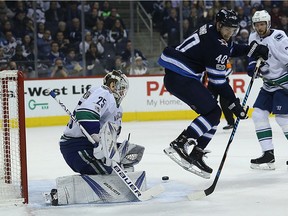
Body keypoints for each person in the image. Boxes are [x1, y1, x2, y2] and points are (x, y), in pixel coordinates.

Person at [158, 9, 269, 178]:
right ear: (219, 25)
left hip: (178, 74)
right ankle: (180, 143)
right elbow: (217, 82)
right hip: (180, 76)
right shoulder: (215, 44)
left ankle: (197, 152)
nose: (229, 33)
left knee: (214, 115)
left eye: (233, 30)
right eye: (227, 30)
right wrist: (234, 105)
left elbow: (230, 48)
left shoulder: (213, 31)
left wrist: (251, 50)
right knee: (213, 111)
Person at [59, 70, 144, 175]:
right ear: (113, 85)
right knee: (110, 172)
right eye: (121, 87)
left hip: (90, 146)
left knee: (132, 152)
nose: (122, 92)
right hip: (77, 147)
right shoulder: (104, 93)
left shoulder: (117, 108)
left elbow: (110, 134)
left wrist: (107, 147)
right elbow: (85, 114)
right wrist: (96, 137)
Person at [247, 10, 288, 170]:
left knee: (283, 119)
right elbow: (252, 58)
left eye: (262, 24)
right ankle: (268, 154)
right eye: (257, 24)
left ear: (268, 23)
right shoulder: (253, 37)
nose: (260, 27)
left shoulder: (279, 38)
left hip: (283, 84)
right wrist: (253, 67)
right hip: (268, 85)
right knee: (258, 114)